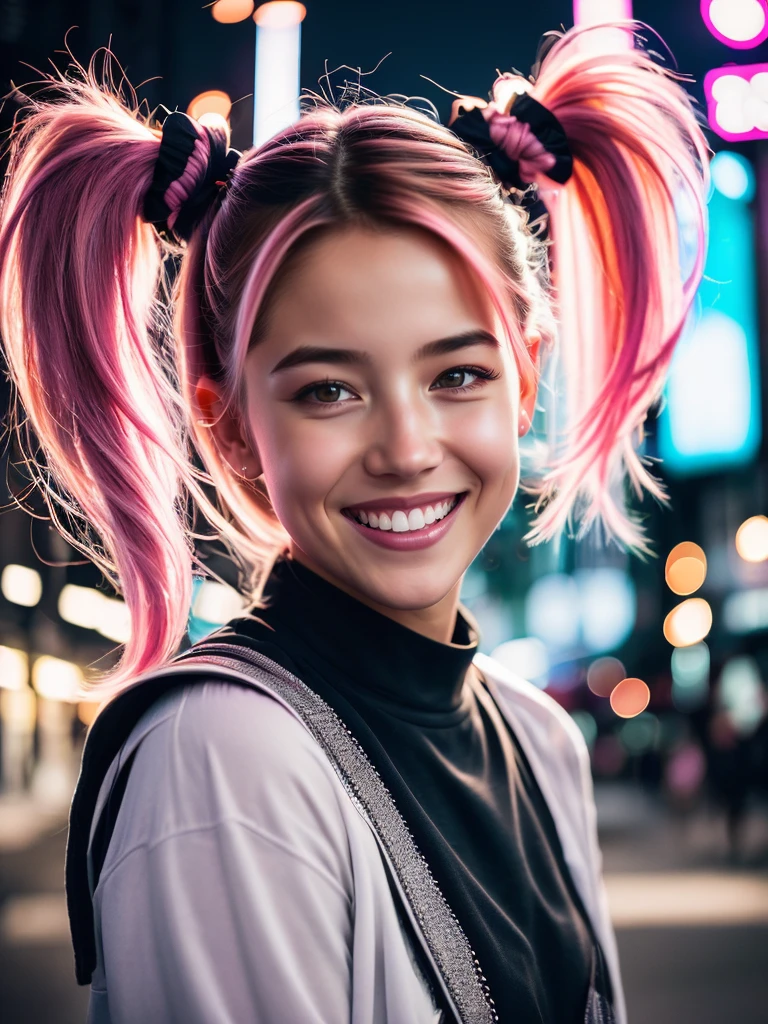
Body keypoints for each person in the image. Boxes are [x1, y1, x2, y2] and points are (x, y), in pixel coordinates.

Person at [0, 20, 708, 1024]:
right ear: (233, 427)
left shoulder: (543, 743)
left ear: (527, 379)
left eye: (459, 373)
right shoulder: (223, 761)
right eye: (330, 390)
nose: (407, 446)